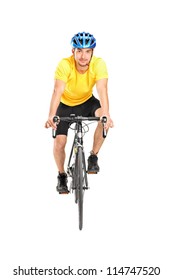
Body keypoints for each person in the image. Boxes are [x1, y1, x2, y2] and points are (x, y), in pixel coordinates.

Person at [45, 32, 113, 194]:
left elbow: (102, 89)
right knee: (59, 142)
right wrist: (51, 114)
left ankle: (93, 156)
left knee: (104, 119)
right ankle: (61, 175)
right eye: (79, 51)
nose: (83, 56)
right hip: (65, 105)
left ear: (92, 53)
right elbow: (57, 90)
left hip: (87, 102)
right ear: (73, 51)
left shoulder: (99, 64)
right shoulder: (64, 65)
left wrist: (107, 114)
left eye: (87, 51)